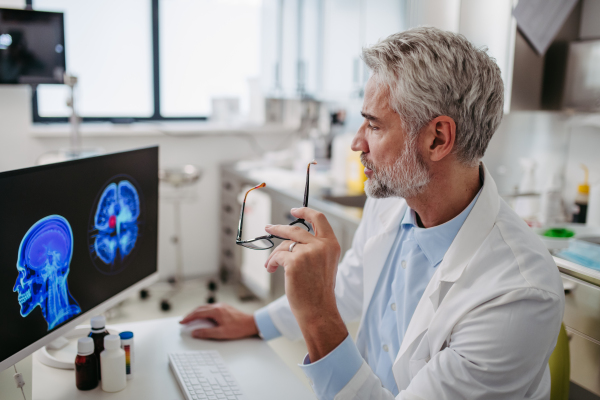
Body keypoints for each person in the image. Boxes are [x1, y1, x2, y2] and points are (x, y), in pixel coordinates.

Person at [181, 27, 564, 399]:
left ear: (437, 138)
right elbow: (352, 286)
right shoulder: (393, 202)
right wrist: (253, 323)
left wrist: (317, 315)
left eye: (374, 125)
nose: (355, 142)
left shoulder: (517, 294)